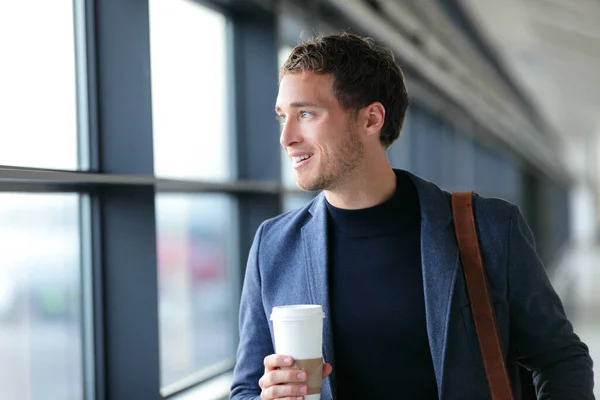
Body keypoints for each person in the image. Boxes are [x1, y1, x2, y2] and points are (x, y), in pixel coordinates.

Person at [230, 32, 594, 400]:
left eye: (306, 113)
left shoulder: (489, 228)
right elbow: (245, 387)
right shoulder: (273, 246)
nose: (286, 137)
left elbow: (560, 359)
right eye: (282, 117)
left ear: (371, 119)